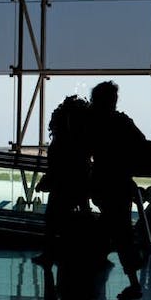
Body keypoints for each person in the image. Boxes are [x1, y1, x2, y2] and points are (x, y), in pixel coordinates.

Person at [88, 80, 147, 300]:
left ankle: (128, 279)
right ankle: (132, 277)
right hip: (121, 182)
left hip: (103, 181)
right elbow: (141, 144)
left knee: (112, 230)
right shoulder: (123, 122)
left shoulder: (93, 123)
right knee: (117, 230)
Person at [33, 95, 91, 268]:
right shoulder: (80, 140)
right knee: (81, 214)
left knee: (52, 219)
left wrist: (46, 181)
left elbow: (56, 167)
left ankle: (50, 253)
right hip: (78, 184)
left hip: (62, 186)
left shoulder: (61, 141)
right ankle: (80, 252)